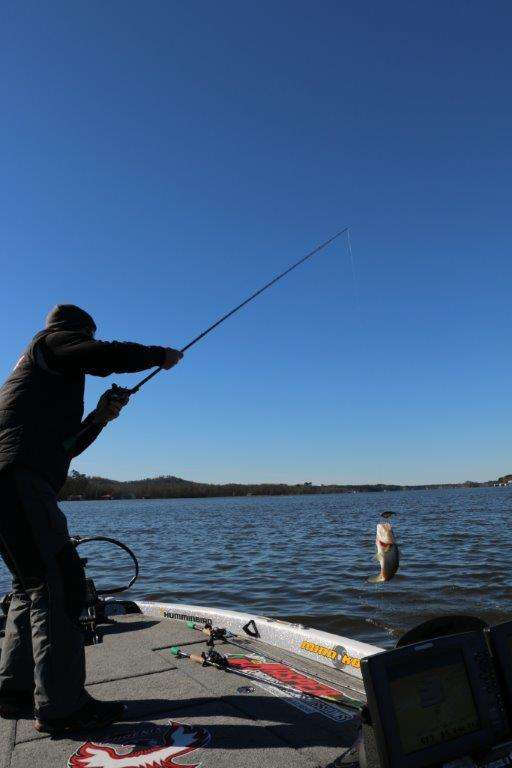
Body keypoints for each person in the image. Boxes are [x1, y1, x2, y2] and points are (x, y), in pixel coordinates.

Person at [0, 304, 182, 734]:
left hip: (13, 482)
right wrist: (160, 355)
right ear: (78, 331)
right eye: (88, 336)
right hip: (18, 482)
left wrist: (101, 416)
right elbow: (99, 354)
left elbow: (65, 447)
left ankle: (12, 692)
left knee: (32, 586)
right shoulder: (51, 344)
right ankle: (64, 708)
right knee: (59, 583)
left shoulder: (39, 381)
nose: (88, 343)